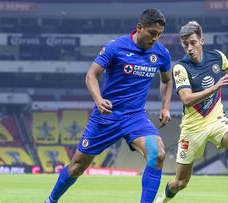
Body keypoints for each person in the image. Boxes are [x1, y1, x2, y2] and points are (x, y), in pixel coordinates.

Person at [44, 8, 172, 203]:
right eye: (152, 33)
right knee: (76, 167)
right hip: (106, 116)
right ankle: (51, 201)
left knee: (158, 153)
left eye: (159, 35)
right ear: (139, 28)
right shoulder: (115, 47)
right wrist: (98, 99)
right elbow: (91, 75)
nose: (155, 38)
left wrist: (165, 107)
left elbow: (167, 80)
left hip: (135, 117)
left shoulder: (161, 53)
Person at [155, 21, 228, 203]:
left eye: (192, 42)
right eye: (185, 44)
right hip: (192, 128)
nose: (189, 48)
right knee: (180, 182)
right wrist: (214, 88)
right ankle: (163, 199)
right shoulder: (180, 68)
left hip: (216, 120)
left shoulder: (217, 57)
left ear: (201, 40)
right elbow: (186, 99)